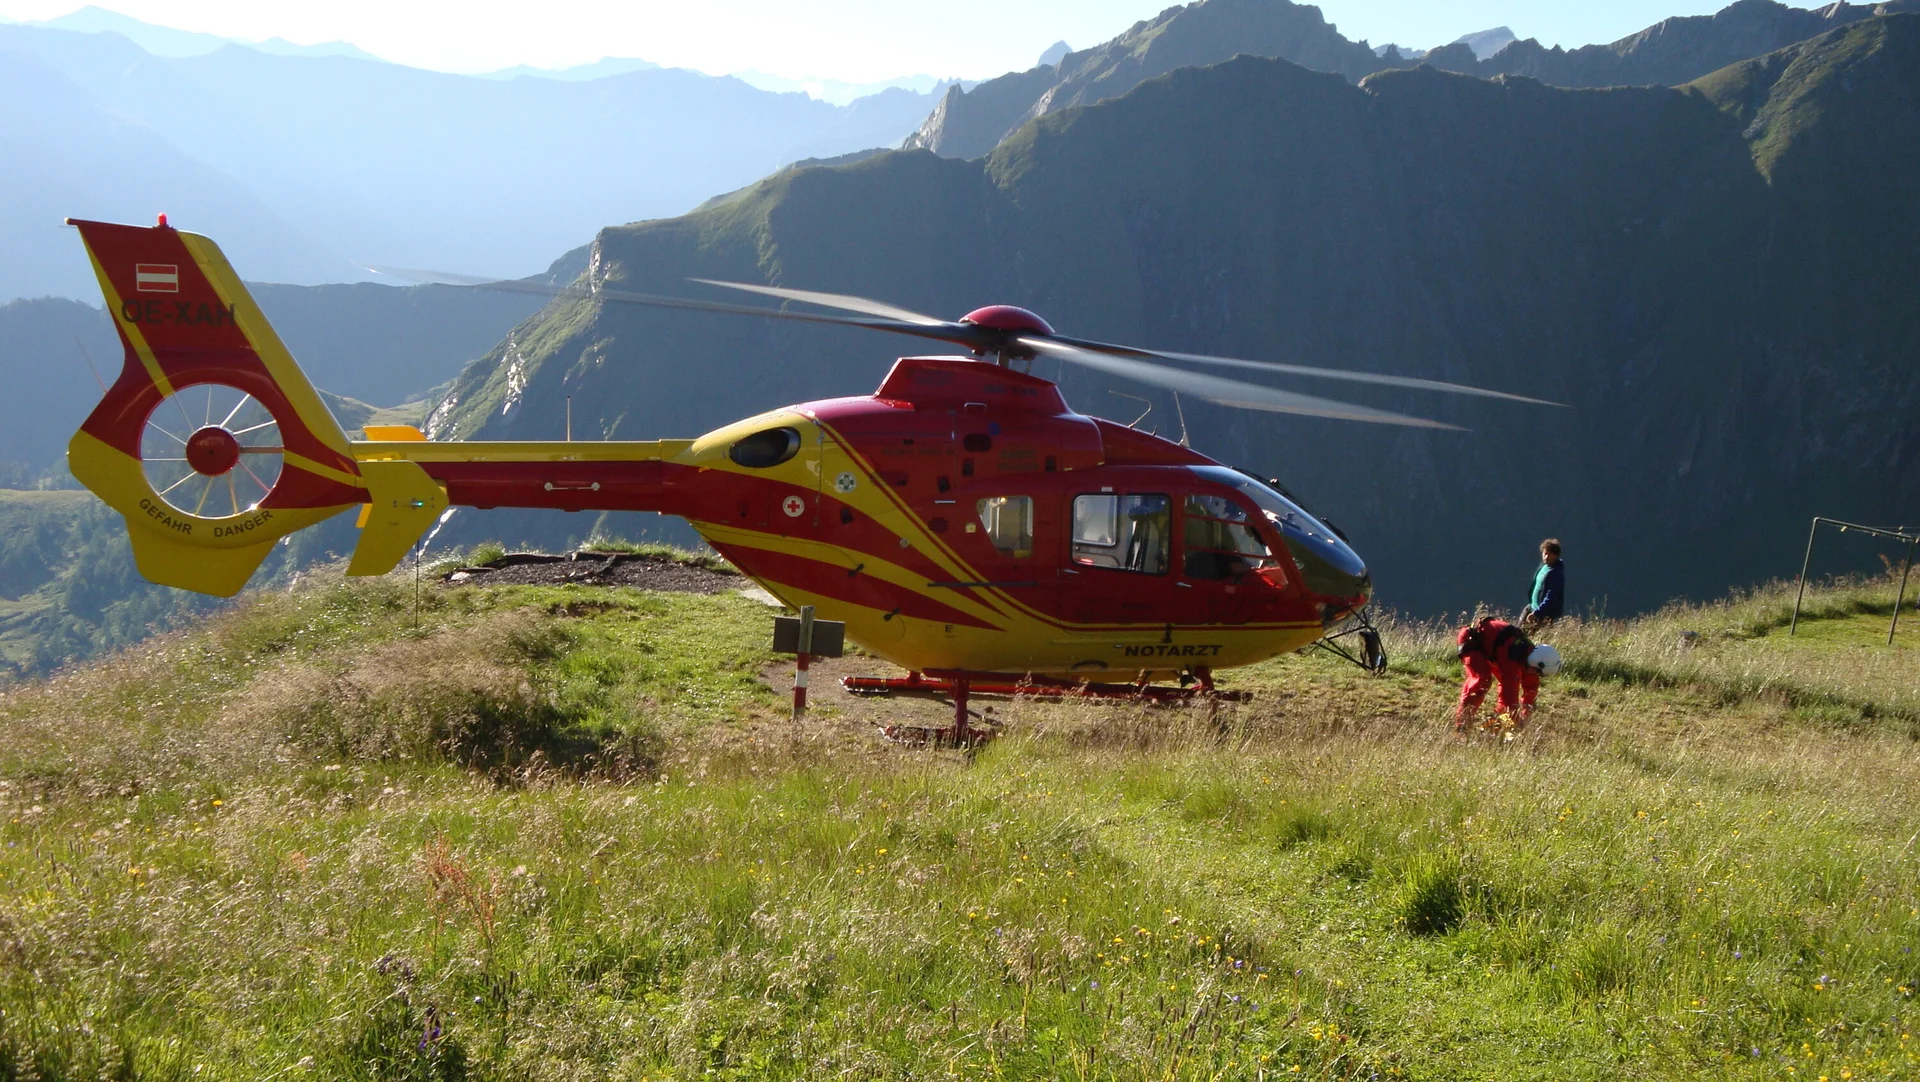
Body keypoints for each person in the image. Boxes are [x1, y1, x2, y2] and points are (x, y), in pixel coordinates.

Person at [1454, 615, 1562, 732]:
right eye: (1538, 672)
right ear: (1536, 664)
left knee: (1505, 707)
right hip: (1472, 641)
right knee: (1481, 682)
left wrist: (1526, 714)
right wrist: (1517, 724)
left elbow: (1531, 688)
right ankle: (1462, 726)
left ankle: (1494, 725)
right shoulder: (1512, 660)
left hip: (1492, 649)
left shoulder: (1529, 656)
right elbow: (1509, 700)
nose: (1537, 675)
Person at [1522, 539, 1565, 628]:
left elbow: (1551, 597)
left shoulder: (1556, 574)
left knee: (1532, 640)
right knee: (1517, 633)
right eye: (1544, 554)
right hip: (1531, 607)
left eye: (1549, 555)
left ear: (1556, 555)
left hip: (1542, 615)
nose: (1545, 557)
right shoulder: (1543, 566)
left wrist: (1537, 613)